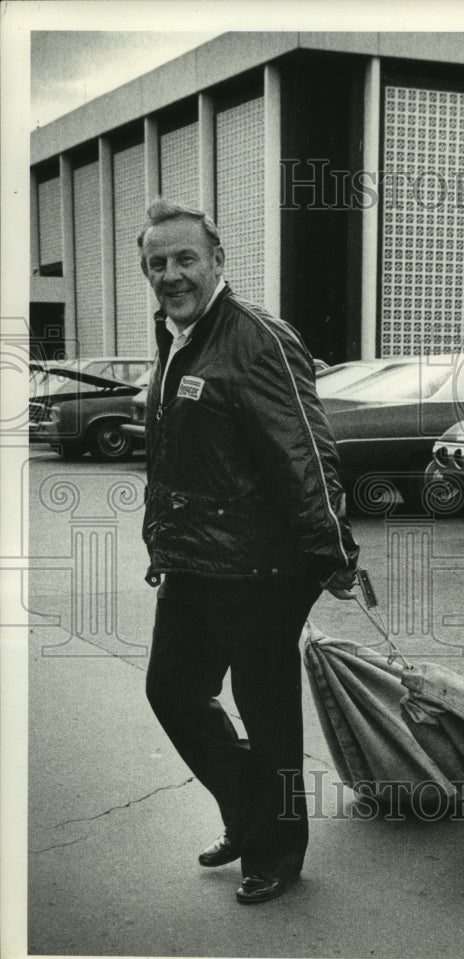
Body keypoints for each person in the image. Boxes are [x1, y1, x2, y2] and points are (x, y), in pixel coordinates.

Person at [138, 198, 359, 905]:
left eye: (185, 259)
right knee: (172, 690)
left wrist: (333, 550)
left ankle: (277, 851)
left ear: (217, 261)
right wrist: (162, 539)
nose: (171, 274)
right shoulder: (177, 337)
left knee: (267, 714)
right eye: (157, 263)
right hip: (196, 560)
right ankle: (246, 809)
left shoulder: (257, 337)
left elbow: (305, 451)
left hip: (265, 565)